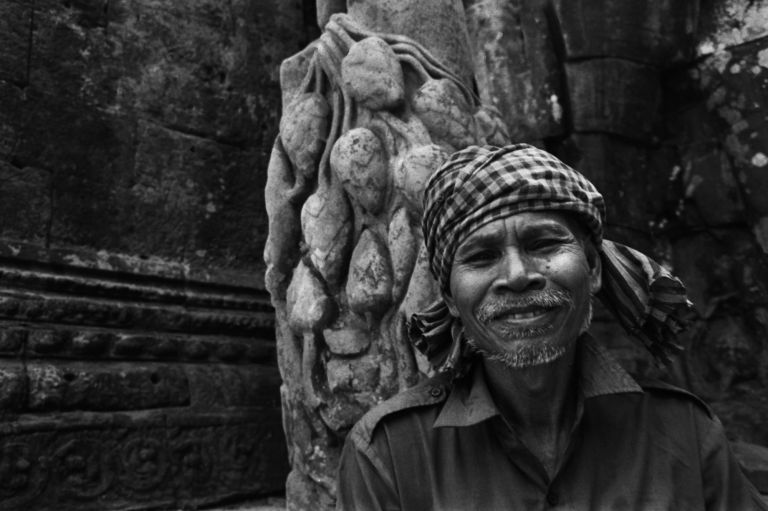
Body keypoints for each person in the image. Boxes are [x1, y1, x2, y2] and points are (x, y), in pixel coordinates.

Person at [335, 144, 768, 510]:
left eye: (543, 243)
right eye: (482, 257)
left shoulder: (684, 432)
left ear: (593, 268)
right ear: (449, 297)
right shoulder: (391, 454)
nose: (518, 275)